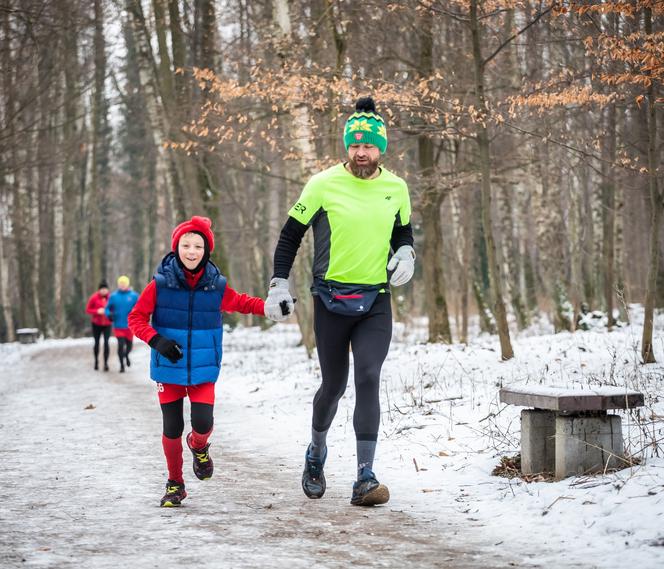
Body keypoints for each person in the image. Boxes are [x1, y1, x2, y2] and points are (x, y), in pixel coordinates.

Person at [264, 96, 416, 507]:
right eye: (354, 145)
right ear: (346, 146)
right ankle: (316, 453)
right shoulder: (322, 184)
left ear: (381, 148)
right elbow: (290, 234)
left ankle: (365, 477)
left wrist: (406, 253)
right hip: (329, 299)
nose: (361, 152)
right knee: (333, 385)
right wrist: (279, 283)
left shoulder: (396, 188)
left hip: (376, 300)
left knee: (368, 376)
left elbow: (403, 233)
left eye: (368, 146)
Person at [128, 215, 276, 507]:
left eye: (198, 246)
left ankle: (199, 447)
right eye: (186, 245)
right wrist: (157, 341)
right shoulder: (159, 285)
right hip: (168, 368)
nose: (191, 251)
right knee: (171, 427)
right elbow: (135, 318)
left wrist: (270, 307)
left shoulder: (216, 286)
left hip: (204, 369)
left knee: (203, 422)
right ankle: (175, 483)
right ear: (176, 247)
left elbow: (242, 302)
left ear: (207, 250)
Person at [105, 275, 139, 373]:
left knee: (129, 346)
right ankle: (122, 366)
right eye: (121, 284)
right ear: (118, 285)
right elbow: (107, 308)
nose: (122, 285)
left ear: (127, 284)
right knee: (120, 345)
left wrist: (137, 316)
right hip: (118, 325)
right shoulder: (113, 296)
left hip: (130, 326)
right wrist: (109, 315)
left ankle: (126, 355)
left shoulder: (134, 296)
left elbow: (140, 307)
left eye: (124, 283)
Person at [85, 280, 112, 371]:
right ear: (99, 290)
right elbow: (88, 310)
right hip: (96, 324)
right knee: (97, 343)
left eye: (105, 289)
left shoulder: (111, 298)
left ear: (108, 290)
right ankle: (96, 361)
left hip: (107, 324)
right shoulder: (94, 298)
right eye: (102, 289)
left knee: (106, 343)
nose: (104, 291)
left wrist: (111, 314)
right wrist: (97, 311)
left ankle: (106, 363)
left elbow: (114, 308)